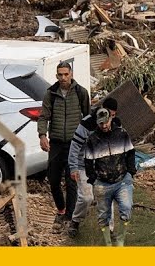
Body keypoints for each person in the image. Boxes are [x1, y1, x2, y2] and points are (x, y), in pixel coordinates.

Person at [37, 60, 91, 230]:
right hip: (56, 144)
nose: (63, 78)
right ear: (56, 76)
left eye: (66, 74)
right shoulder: (51, 93)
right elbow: (43, 116)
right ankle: (61, 209)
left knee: (71, 181)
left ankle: (70, 217)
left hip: (75, 145)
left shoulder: (81, 92)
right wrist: (42, 135)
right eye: (60, 75)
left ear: (71, 74)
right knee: (53, 180)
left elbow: (88, 118)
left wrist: (88, 141)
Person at [82, 105, 137, 246]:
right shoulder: (92, 139)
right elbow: (88, 161)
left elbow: (130, 152)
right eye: (101, 123)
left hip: (122, 180)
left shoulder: (122, 134)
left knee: (126, 208)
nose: (104, 125)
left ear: (110, 119)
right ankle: (108, 244)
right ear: (97, 123)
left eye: (106, 122)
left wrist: (131, 172)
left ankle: (120, 241)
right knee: (103, 216)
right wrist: (93, 178)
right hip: (102, 183)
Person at [65, 96, 119, 238]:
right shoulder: (87, 123)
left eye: (112, 116)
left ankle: (109, 229)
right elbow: (75, 146)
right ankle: (75, 221)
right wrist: (73, 167)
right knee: (86, 198)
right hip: (84, 165)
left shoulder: (115, 125)